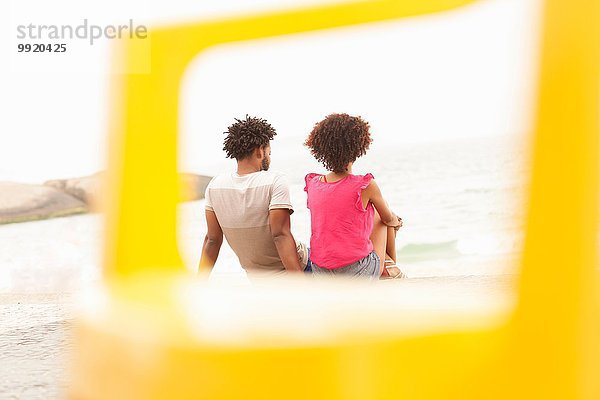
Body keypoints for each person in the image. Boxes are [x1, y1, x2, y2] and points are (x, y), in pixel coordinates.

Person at [199, 116, 310, 279]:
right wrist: (299, 283)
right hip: (299, 267)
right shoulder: (275, 181)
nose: (269, 158)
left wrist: (199, 282)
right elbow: (280, 234)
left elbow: (212, 240)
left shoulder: (215, 186)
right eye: (269, 153)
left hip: (257, 278)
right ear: (260, 150)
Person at [304, 113, 404, 279]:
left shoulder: (313, 184)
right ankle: (390, 266)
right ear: (358, 148)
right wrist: (396, 222)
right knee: (380, 213)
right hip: (357, 273)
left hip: (321, 272)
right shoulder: (365, 185)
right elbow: (387, 219)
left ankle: (387, 266)